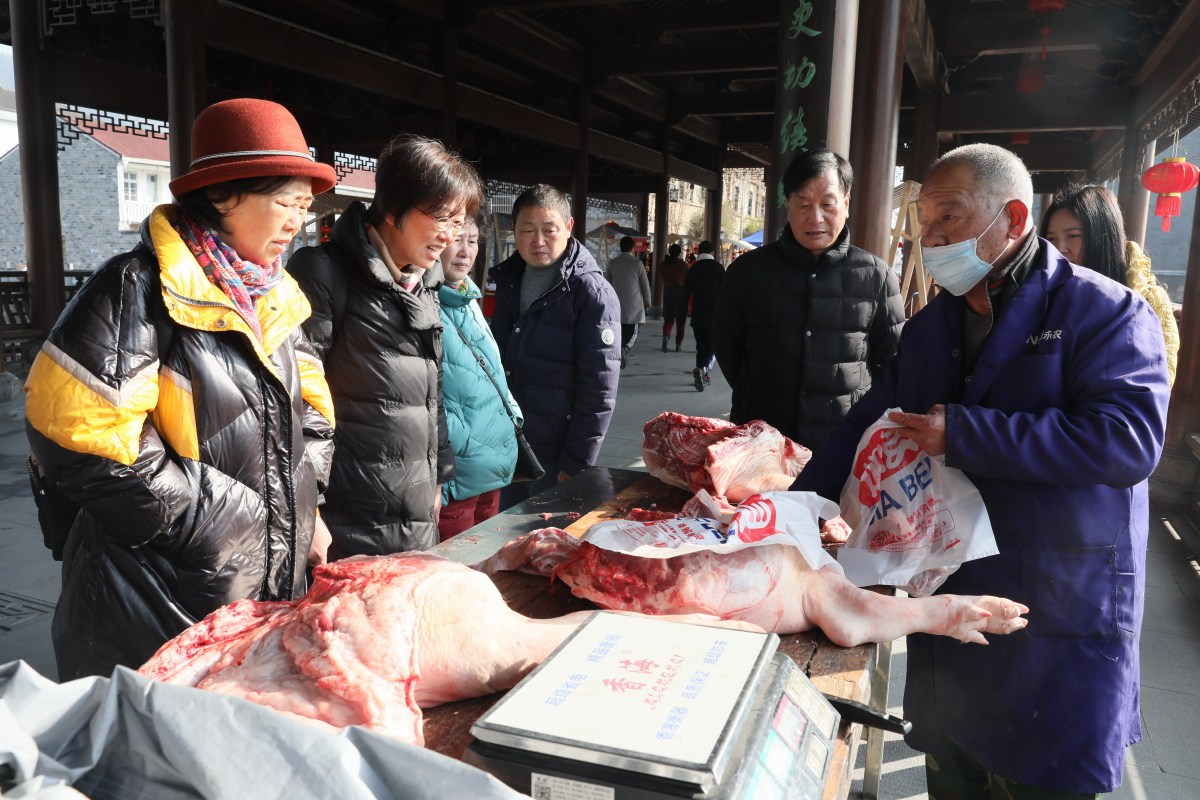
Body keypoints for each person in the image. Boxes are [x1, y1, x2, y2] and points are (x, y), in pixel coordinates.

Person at [792, 143, 1171, 797]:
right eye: (926, 223)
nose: (933, 238)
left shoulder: (1104, 312)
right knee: (956, 765)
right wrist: (795, 509)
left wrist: (968, 433)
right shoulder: (930, 328)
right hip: (955, 594)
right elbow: (868, 426)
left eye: (951, 218)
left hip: (1056, 600)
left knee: (1041, 776)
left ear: (1013, 218)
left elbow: (1128, 441)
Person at [24, 98, 338, 679]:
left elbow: (314, 413)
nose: (297, 222)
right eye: (285, 202)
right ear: (222, 194)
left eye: (304, 206)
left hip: (254, 590)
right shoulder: (135, 287)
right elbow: (77, 434)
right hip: (148, 601)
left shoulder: (276, 294)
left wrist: (304, 505)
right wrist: (215, 522)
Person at [288, 134, 484, 558]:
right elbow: (295, 403)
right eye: (441, 218)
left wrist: (439, 476)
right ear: (393, 208)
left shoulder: (425, 282)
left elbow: (432, 391)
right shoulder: (324, 274)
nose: (449, 237)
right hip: (347, 520)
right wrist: (309, 509)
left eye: (457, 223)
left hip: (417, 513)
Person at [714, 148, 904, 452]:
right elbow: (727, 347)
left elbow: (890, 359)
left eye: (828, 204)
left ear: (846, 204)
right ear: (788, 205)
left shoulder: (876, 276)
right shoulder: (746, 272)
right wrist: (756, 393)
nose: (815, 218)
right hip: (763, 440)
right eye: (803, 204)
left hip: (844, 442)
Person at [490, 184, 621, 509]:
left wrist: (577, 462)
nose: (538, 241)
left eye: (549, 230)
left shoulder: (592, 293)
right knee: (502, 533)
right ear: (514, 231)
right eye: (527, 230)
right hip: (508, 446)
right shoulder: (507, 280)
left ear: (568, 227)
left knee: (544, 535)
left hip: (556, 454)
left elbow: (600, 389)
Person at [435, 213, 521, 540]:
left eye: (472, 241)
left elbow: (492, 370)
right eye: (457, 240)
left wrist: (513, 417)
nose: (465, 251)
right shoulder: (423, 302)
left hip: (493, 464)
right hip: (459, 472)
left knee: (486, 557)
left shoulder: (468, 297)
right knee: (456, 562)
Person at [1042, 183, 1180, 386]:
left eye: (1072, 236)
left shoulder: (1147, 301)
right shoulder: (1043, 293)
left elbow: (1156, 383)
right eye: (1051, 239)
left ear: (1102, 236)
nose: (1059, 248)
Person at [680, 240, 723, 391]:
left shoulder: (693, 269)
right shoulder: (718, 268)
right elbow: (726, 292)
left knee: (701, 346)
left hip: (697, 315)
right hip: (714, 316)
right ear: (712, 252)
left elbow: (686, 294)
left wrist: (682, 314)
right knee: (713, 346)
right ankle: (703, 370)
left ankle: (701, 374)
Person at [606, 235, 651, 368]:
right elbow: (644, 284)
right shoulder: (637, 263)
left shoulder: (612, 263)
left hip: (616, 303)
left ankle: (619, 349)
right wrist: (647, 300)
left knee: (619, 329)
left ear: (620, 247)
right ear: (633, 248)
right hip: (634, 303)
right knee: (634, 330)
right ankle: (625, 348)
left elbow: (607, 284)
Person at [659, 243, 689, 352]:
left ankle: (665, 338)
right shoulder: (683, 265)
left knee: (668, 319)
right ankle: (678, 344)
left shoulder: (663, 264)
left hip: (668, 292)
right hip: (680, 293)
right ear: (679, 253)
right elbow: (687, 279)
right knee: (681, 321)